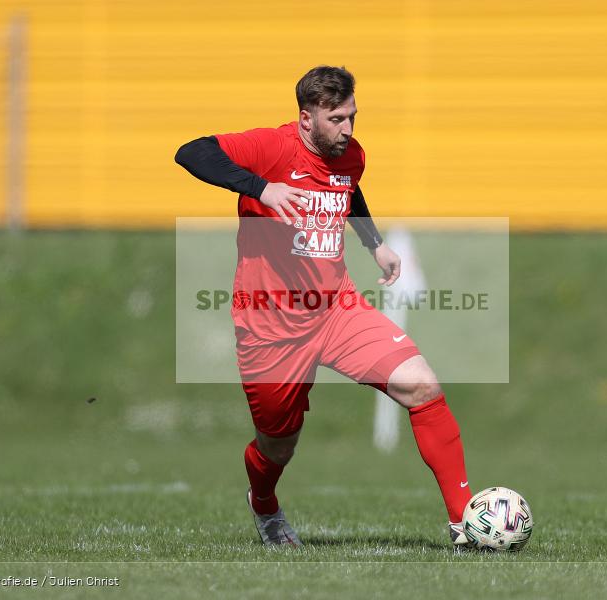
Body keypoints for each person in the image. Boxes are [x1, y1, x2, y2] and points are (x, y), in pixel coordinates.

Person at [175, 66, 473, 546]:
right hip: (269, 327)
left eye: (353, 116)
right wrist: (261, 187)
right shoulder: (271, 148)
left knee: (422, 387)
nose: (348, 129)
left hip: (337, 307)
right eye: (336, 118)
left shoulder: (350, 154)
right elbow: (190, 153)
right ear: (305, 118)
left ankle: (466, 525)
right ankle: (265, 504)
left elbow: (346, 190)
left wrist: (374, 243)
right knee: (278, 443)